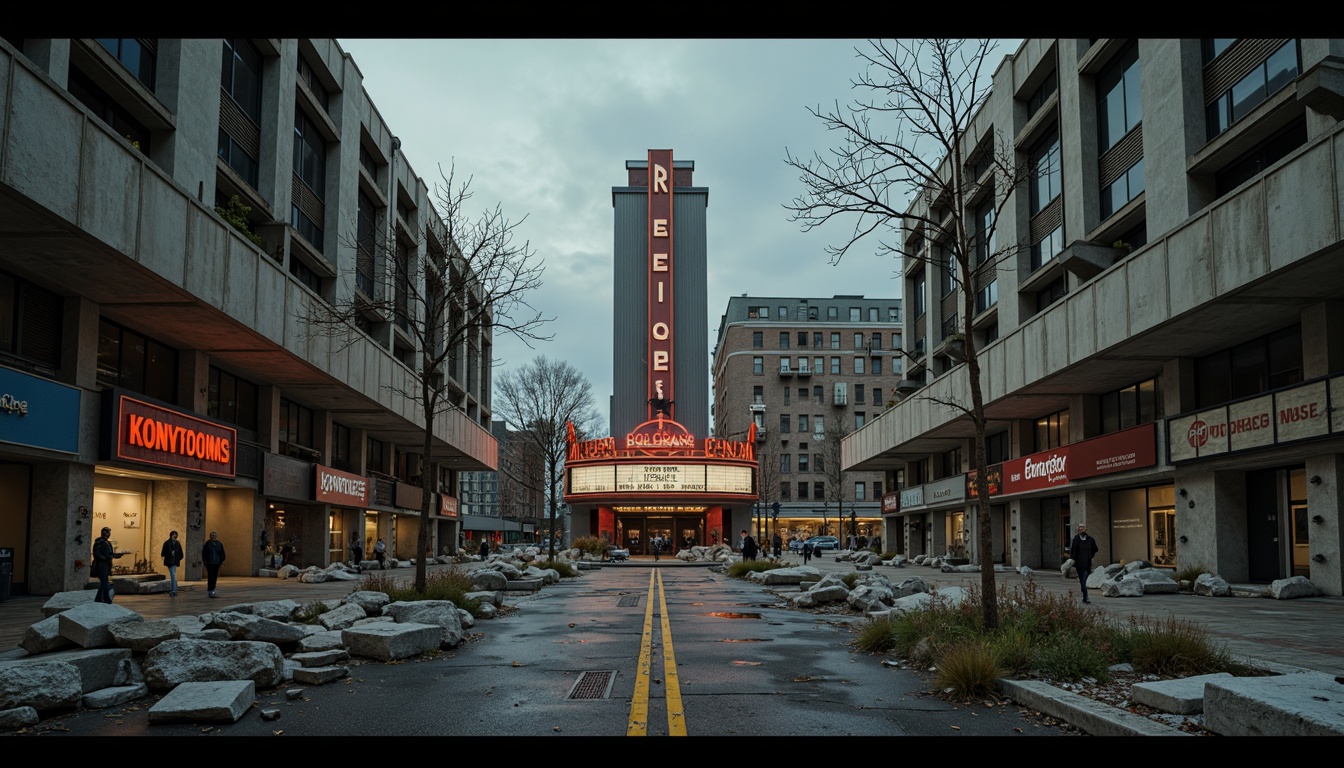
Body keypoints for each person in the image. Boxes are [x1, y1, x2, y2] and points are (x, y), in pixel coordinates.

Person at [1069, 523, 1099, 605]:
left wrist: (1091, 556)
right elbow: (1072, 551)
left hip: (1087, 563)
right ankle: (1085, 596)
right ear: (1078, 530)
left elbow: (1095, 549)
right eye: (1080, 527)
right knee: (1082, 580)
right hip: (1079, 564)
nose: (1081, 529)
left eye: (1083, 527)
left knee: (1083, 581)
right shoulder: (1076, 539)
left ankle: (1085, 596)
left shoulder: (1090, 539)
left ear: (1086, 529)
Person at [92, 526, 123, 603]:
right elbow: (98, 554)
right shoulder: (99, 543)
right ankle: (103, 599)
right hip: (101, 565)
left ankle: (104, 599)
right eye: (108, 532)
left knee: (104, 583)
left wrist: (115, 555)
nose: (109, 534)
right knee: (104, 583)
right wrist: (107, 558)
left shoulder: (106, 543)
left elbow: (109, 554)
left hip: (105, 565)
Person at [202, 530, 226, 599]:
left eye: (215, 535)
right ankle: (210, 590)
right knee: (211, 576)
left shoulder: (219, 544)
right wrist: (205, 562)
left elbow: (222, 554)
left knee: (214, 576)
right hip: (210, 563)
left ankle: (213, 589)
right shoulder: (208, 544)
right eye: (213, 535)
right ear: (210, 536)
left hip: (216, 563)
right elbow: (204, 554)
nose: (214, 537)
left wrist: (221, 561)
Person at [160, 530, 184, 597]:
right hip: (172, 561)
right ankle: (174, 590)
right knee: (173, 575)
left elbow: (163, 553)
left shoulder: (170, 543)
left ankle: (173, 590)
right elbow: (163, 553)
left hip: (172, 561)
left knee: (173, 575)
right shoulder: (173, 543)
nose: (175, 537)